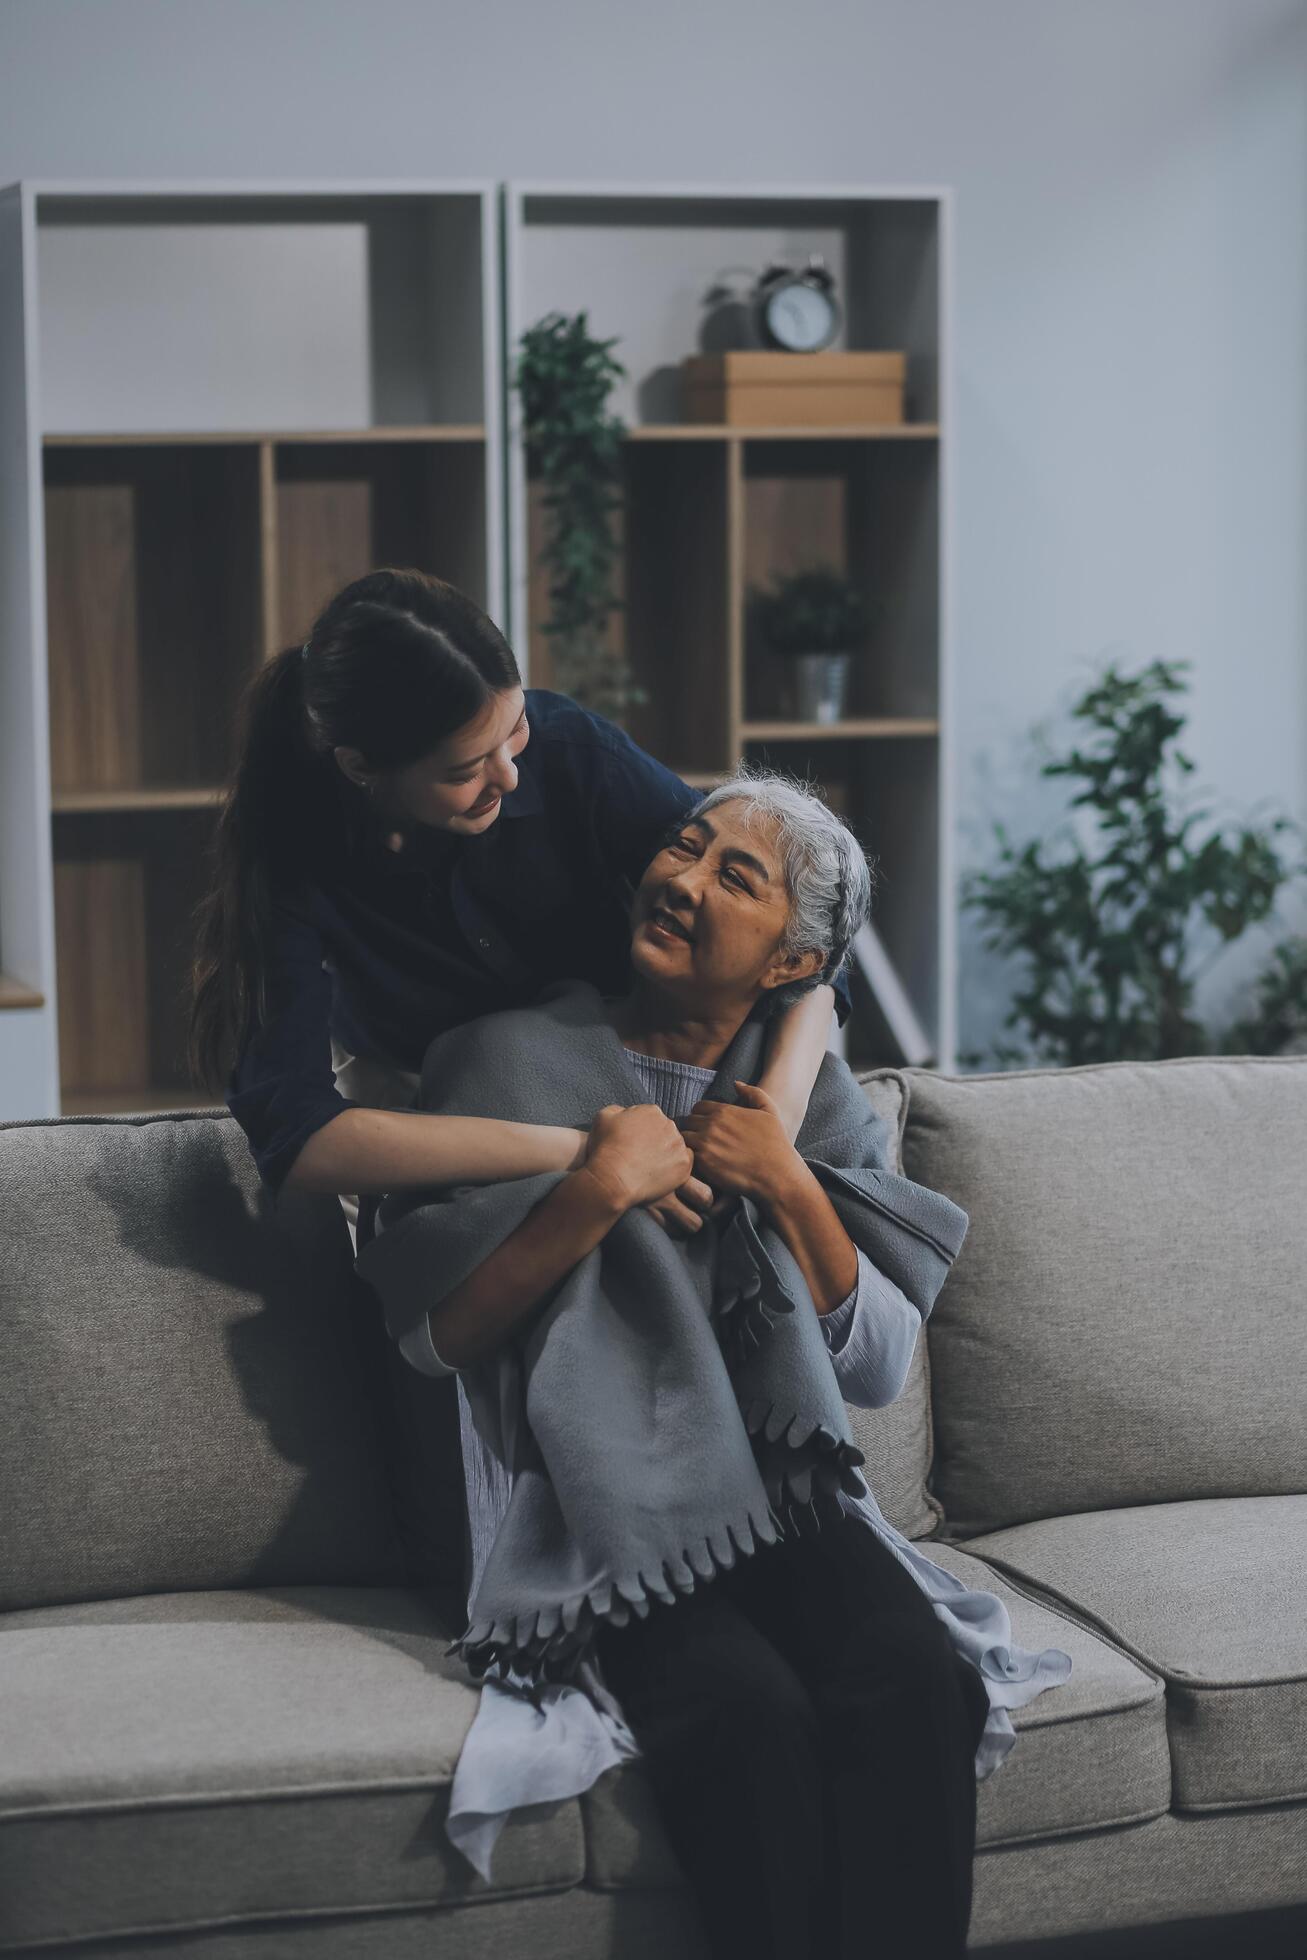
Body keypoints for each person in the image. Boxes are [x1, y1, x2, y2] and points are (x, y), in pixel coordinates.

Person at [355, 770, 1075, 1960]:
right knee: (742, 1711)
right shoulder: (502, 1061)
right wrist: (590, 1191)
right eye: (682, 849)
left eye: (732, 875)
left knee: (909, 1677)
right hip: (600, 1509)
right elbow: (431, 1337)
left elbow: (880, 1368)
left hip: (786, 1495)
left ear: (792, 964)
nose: (679, 879)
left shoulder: (807, 1095)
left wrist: (787, 1180)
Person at [188, 567, 851, 1241]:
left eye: (515, 730)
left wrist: (776, 1120)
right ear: (361, 768)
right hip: (436, 1113)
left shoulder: (569, 751)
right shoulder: (290, 861)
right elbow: (299, 1138)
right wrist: (583, 1156)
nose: (507, 774)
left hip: (628, 1073)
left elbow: (803, 929)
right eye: (463, 769)